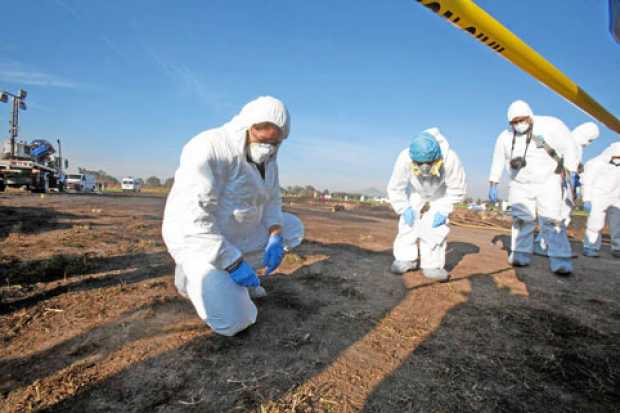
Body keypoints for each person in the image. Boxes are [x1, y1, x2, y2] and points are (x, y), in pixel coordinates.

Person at [162, 96, 304, 336]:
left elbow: (272, 200)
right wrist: (233, 262)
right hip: (198, 241)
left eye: (276, 143)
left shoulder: (270, 161)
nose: (269, 148)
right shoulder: (209, 148)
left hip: (236, 232)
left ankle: (230, 277)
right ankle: (190, 276)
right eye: (263, 140)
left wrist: (275, 234)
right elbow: (194, 220)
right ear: (248, 127)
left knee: (293, 227)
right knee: (235, 321)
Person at [489, 100, 578, 275]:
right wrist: (493, 182)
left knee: (552, 220)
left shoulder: (551, 126)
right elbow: (498, 159)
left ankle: (560, 259)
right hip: (519, 184)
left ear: (530, 117)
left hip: (548, 181)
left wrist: (573, 172)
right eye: (514, 122)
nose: (518, 124)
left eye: (521, 120)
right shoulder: (505, 137)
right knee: (521, 220)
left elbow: (570, 147)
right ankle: (520, 254)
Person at [387, 128, 466, 281]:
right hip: (417, 191)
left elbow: (458, 188)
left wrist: (443, 210)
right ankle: (406, 258)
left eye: (428, 163)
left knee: (434, 227)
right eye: (419, 163)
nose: (424, 167)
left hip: (440, 193)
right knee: (408, 221)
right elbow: (395, 187)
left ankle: (432, 265)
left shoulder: (450, 159)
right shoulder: (405, 158)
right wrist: (404, 208)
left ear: (436, 157)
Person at [534, 122, 600, 255]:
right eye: (590, 140)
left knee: (559, 216)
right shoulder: (569, 142)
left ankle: (545, 243)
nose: (589, 143)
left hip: (564, 187)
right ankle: (543, 244)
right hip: (558, 185)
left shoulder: (575, 145)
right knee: (556, 216)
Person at [581, 142, 620, 258]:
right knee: (595, 223)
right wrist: (587, 199)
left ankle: (617, 247)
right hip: (598, 196)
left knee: (617, 224)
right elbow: (587, 182)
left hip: (616, 197)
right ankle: (590, 246)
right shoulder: (595, 163)